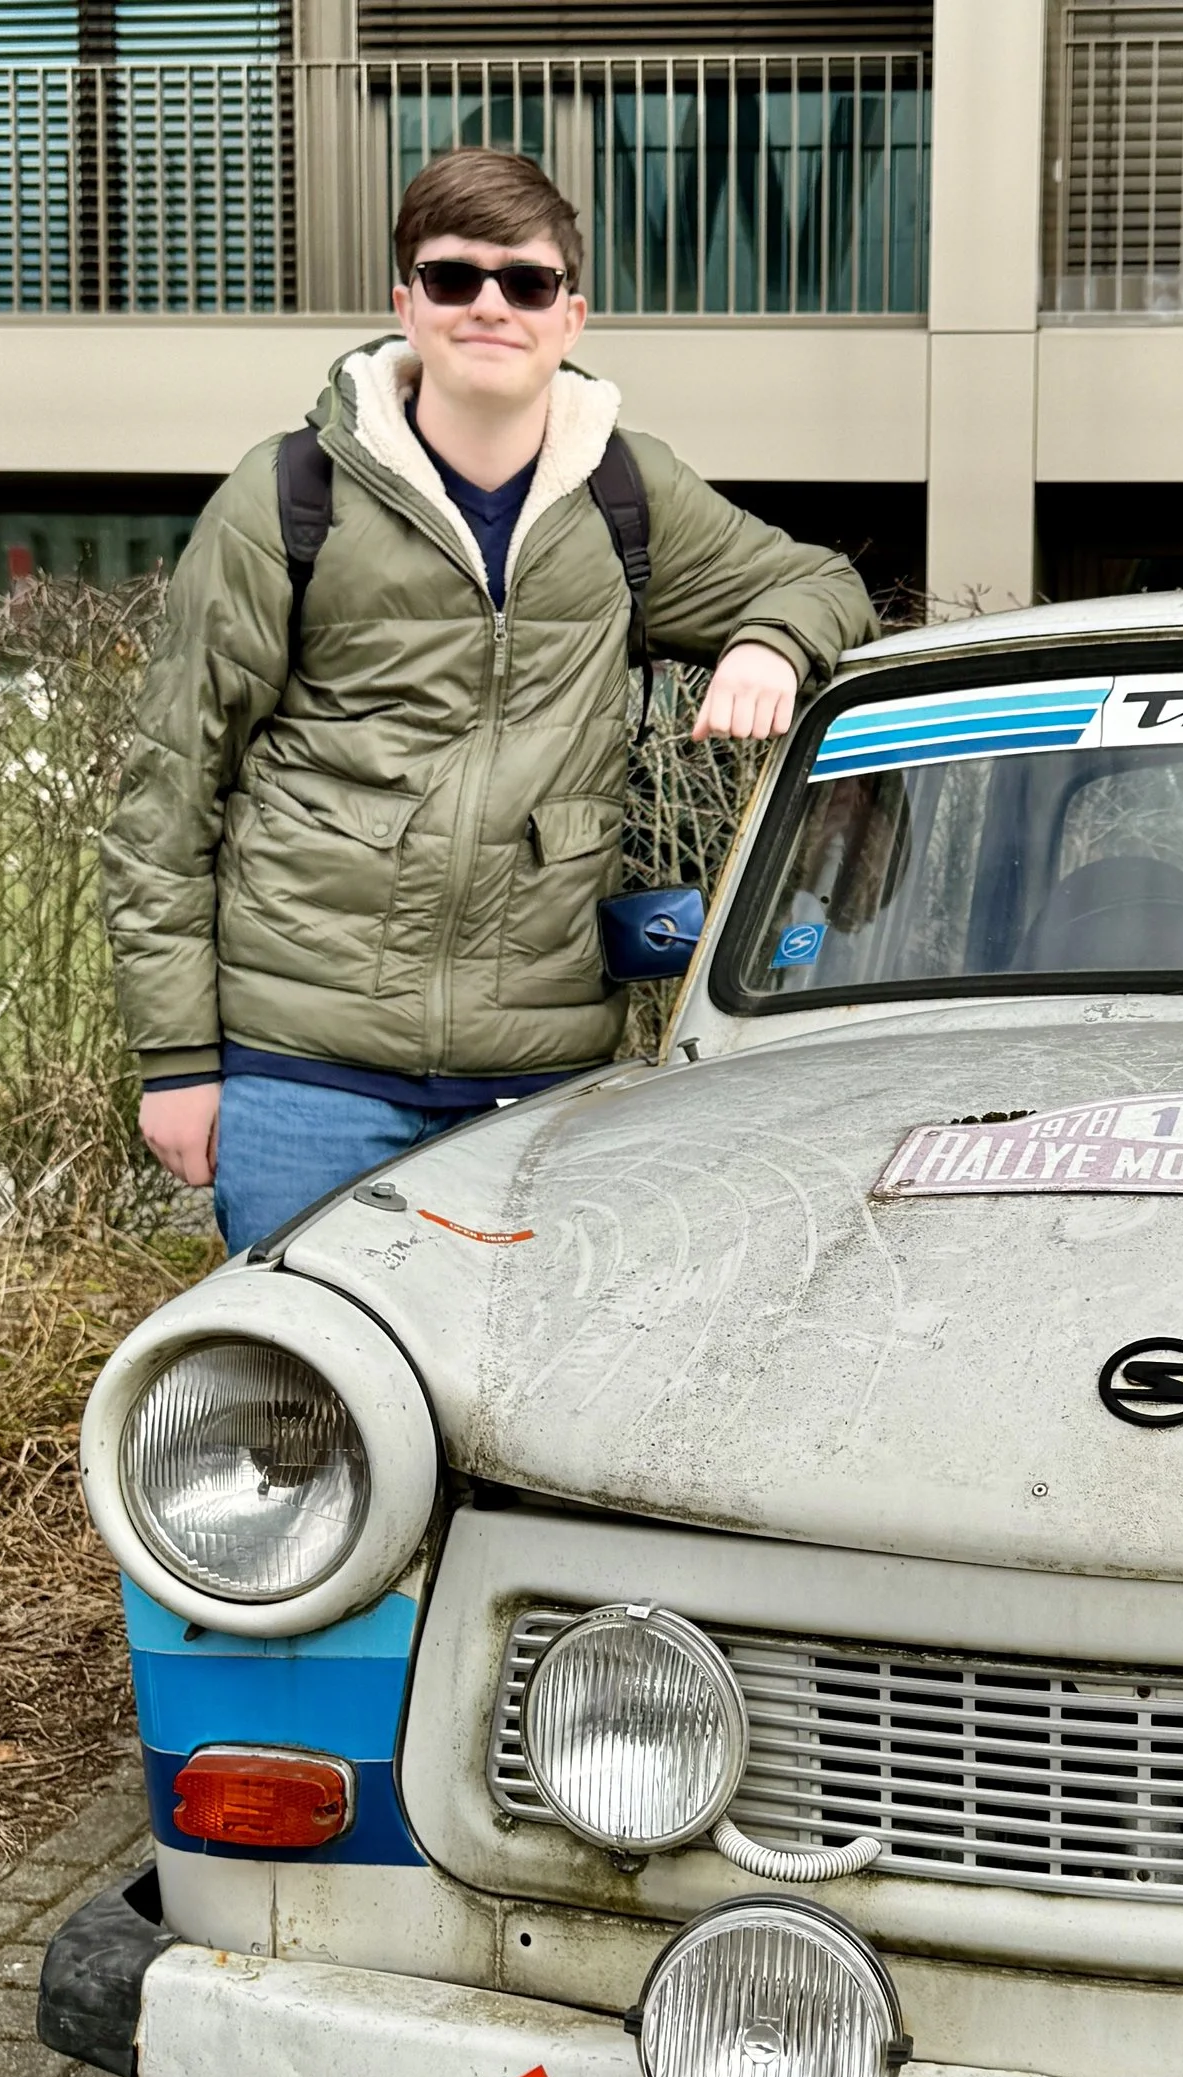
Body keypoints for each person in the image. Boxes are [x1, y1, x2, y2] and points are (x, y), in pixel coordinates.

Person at [102, 148, 876, 1251]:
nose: (490, 305)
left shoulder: (627, 489)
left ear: (572, 314)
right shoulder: (286, 494)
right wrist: (176, 1061)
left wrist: (768, 642)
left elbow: (819, 582)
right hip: (304, 1072)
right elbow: (168, 799)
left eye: (526, 280)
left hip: (543, 1082)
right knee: (310, 1396)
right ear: (404, 304)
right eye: (454, 276)